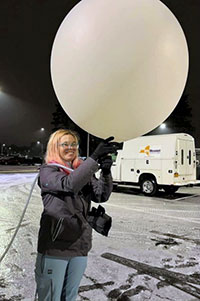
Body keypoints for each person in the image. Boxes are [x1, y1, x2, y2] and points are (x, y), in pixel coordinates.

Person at [34, 129, 116, 301]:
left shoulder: (81, 171)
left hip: (80, 246)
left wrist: (106, 173)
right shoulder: (48, 171)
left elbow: (101, 195)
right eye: (65, 144)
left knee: (70, 296)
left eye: (74, 144)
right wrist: (93, 159)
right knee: (50, 297)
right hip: (56, 248)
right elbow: (69, 185)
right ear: (55, 147)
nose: (70, 147)